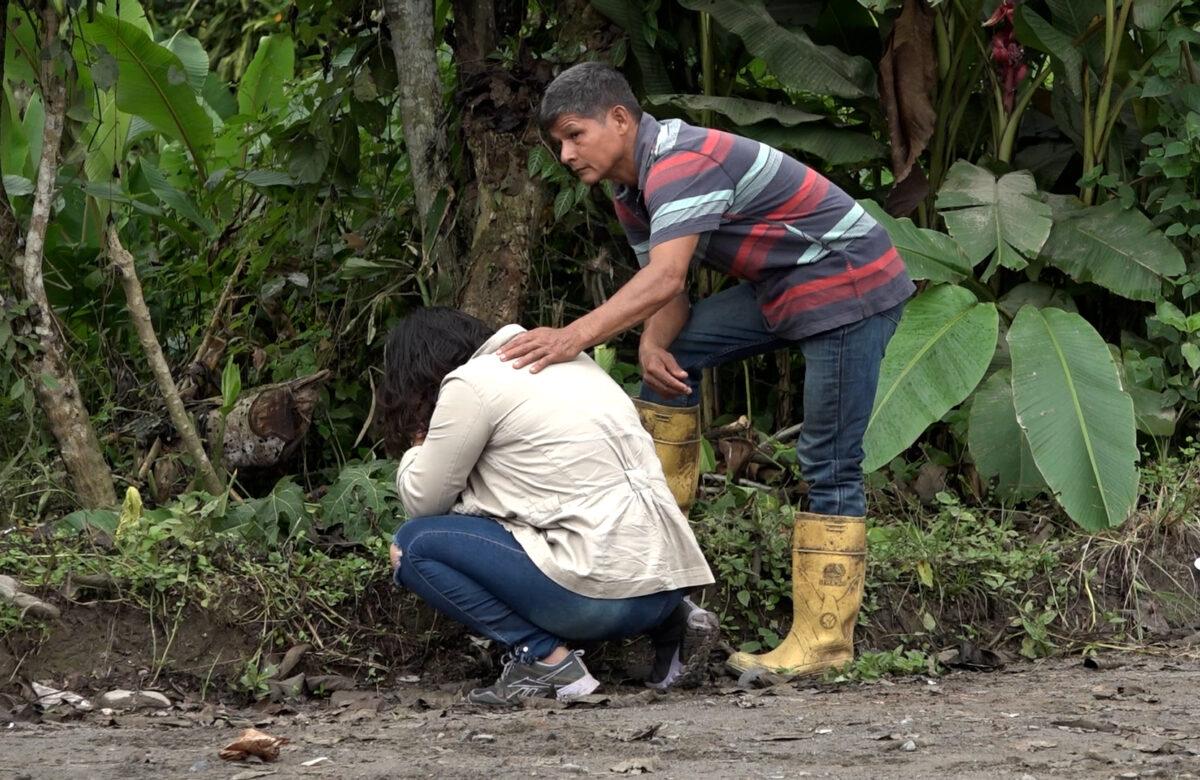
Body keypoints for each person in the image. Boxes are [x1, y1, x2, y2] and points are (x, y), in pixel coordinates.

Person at [495, 62, 914, 679]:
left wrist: (573, 336)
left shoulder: (681, 162)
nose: (564, 154)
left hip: (846, 281)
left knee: (828, 460)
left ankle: (823, 648)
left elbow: (662, 277)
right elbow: (671, 292)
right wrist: (650, 345)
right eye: (557, 143)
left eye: (573, 135)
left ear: (619, 118)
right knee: (673, 362)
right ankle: (659, 541)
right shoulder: (629, 189)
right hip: (785, 283)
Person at [379, 307, 718, 706]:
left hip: (599, 603)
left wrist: (419, 445)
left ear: (420, 373)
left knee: (412, 546)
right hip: (668, 586)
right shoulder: (575, 363)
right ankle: (677, 624)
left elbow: (424, 500)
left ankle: (542, 658)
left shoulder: (471, 383)